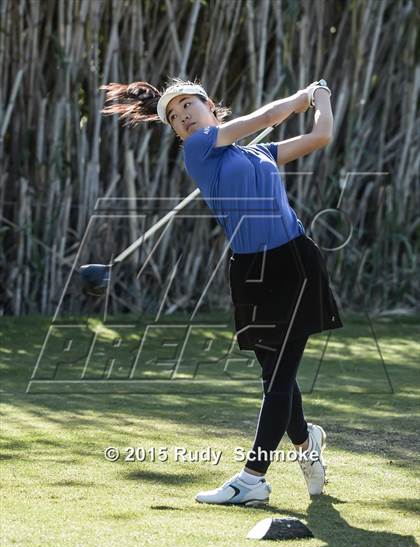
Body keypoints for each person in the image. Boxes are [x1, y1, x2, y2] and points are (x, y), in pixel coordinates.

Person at [100, 76, 344, 506]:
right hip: (250, 270)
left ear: (210, 105)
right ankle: (308, 445)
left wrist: (320, 96)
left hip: (294, 264)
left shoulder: (261, 152)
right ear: (177, 132)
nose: (183, 117)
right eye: (175, 117)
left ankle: (253, 479)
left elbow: (320, 135)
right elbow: (267, 116)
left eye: (189, 106)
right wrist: (303, 96)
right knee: (276, 378)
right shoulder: (199, 151)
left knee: (280, 378)